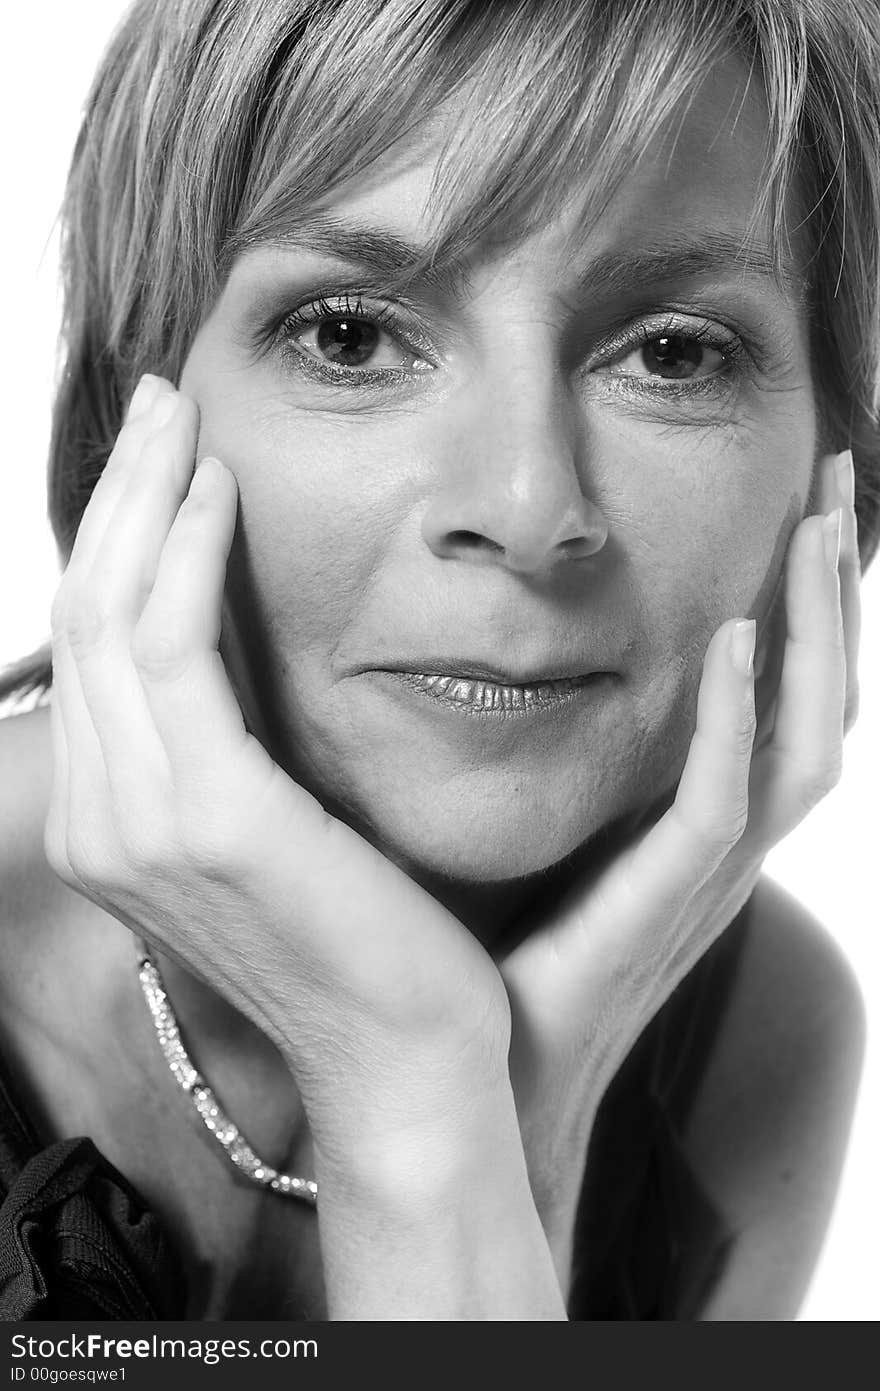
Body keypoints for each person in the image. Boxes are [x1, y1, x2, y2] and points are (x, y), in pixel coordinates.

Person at [0, 0, 877, 1322]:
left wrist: (450, 1116)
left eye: (673, 352)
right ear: (140, 416)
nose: (527, 507)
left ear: (838, 467)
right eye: (350, 335)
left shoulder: (759, 1035)